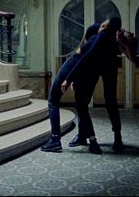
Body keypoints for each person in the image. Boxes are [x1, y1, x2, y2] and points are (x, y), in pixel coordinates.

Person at [62, 17, 124, 152]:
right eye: (102, 24)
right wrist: (75, 78)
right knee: (83, 100)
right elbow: (86, 55)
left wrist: (69, 78)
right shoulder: (94, 31)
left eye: (104, 26)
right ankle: (82, 135)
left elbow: (86, 56)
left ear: (108, 28)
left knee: (110, 100)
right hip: (94, 66)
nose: (101, 27)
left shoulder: (106, 36)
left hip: (109, 66)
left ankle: (117, 137)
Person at [40, 22, 102, 153]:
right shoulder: (105, 46)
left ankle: (55, 139)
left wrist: (68, 79)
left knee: (53, 100)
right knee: (82, 106)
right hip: (91, 72)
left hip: (74, 63)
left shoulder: (94, 39)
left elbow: (80, 56)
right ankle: (87, 139)